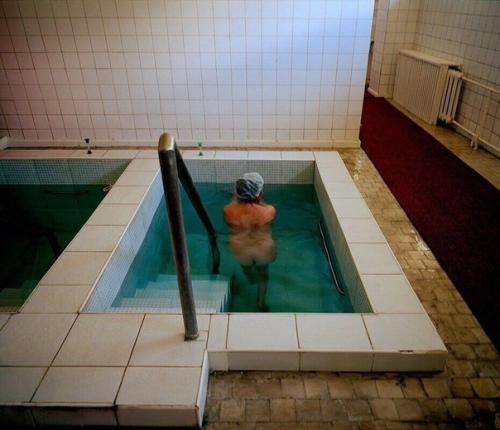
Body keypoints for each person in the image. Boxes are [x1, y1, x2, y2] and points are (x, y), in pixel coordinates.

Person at [223, 172, 276, 311]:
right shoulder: (269, 211)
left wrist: (237, 199)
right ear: (258, 193)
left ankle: (252, 279)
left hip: (241, 250)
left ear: (238, 192)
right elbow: (267, 224)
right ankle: (261, 302)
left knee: (246, 268)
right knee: (263, 274)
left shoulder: (228, 210)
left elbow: (231, 225)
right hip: (262, 250)